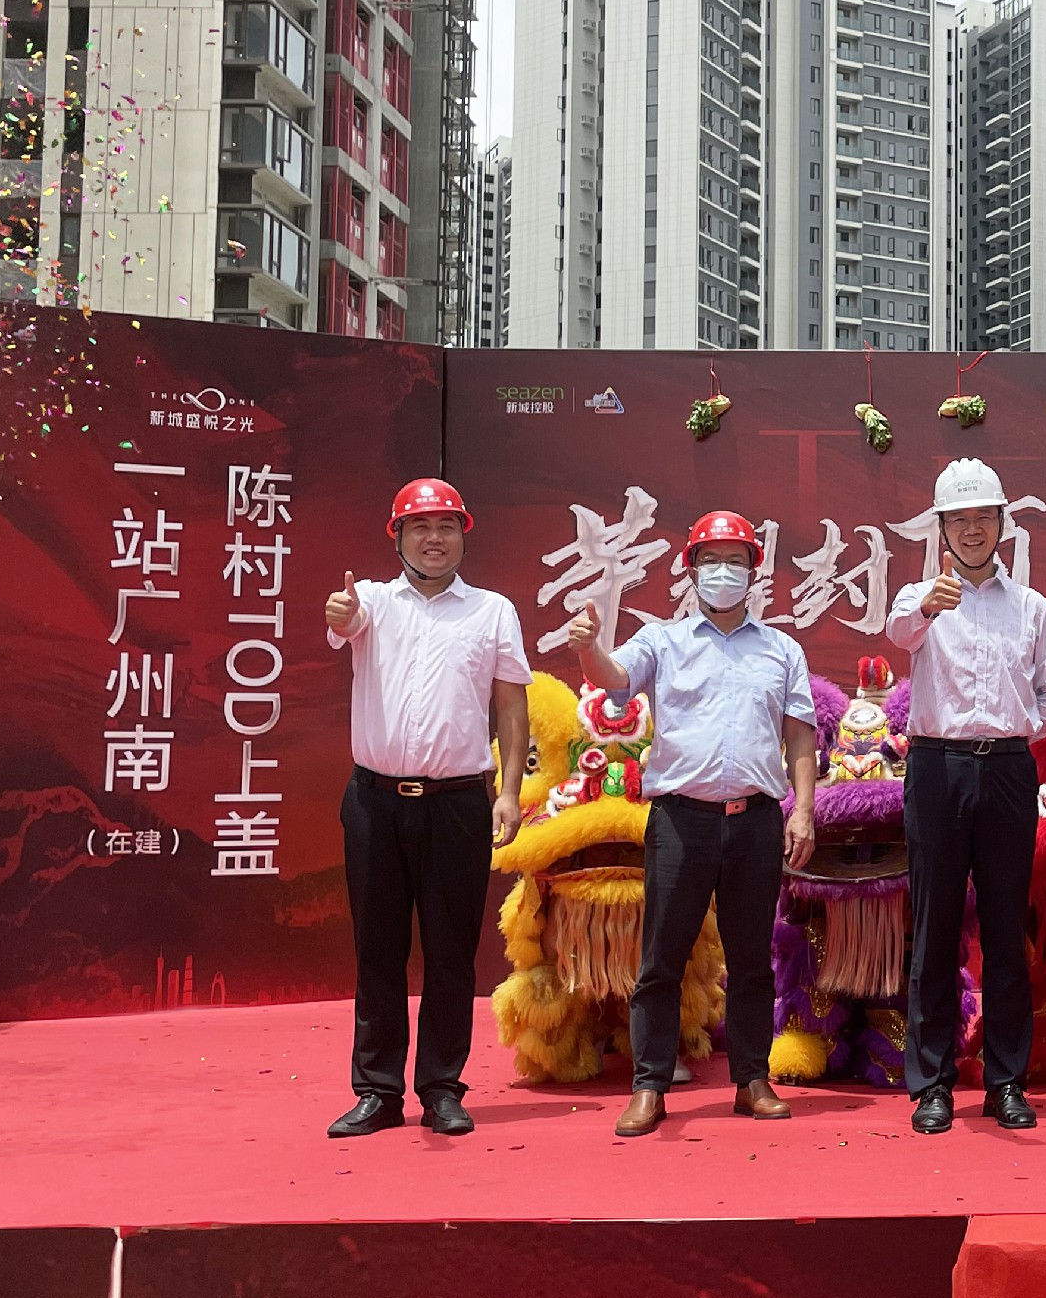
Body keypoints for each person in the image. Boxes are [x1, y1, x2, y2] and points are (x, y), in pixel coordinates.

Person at [564, 510, 818, 1132]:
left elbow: (799, 735)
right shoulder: (663, 642)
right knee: (662, 958)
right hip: (681, 821)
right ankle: (649, 1086)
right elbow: (614, 677)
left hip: (756, 821)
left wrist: (804, 811)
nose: (723, 572)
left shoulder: (782, 649)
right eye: (711, 561)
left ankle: (752, 1080)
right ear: (691, 570)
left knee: (751, 958)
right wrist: (588, 648)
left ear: (754, 571)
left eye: (735, 561)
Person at [323, 479, 531, 1139]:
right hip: (374, 803)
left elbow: (511, 705)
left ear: (463, 535)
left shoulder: (492, 611)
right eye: (420, 527)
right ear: (398, 537)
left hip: (458, 804)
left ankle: (442, 1088)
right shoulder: (372, 602)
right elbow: (345, 622)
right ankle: (377, 1092)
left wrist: (508, 791)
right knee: (377, 949)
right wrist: (340, 613)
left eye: (446, 527)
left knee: (450, 952)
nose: (434, 539)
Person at [886, 458, 1046, 1134]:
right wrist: (927, 607)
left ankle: (1006, 1082)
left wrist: (1012, 729)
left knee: (1004, 928)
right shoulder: (921, 598)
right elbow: (897, 632)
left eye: (983, 518)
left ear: (1002, 524)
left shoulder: (1032, 608)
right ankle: (931, 1085)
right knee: (935, 928)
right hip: (937, 769)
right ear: (941, 529)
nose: (972, 530)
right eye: (959, 520)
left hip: (1006, 773)